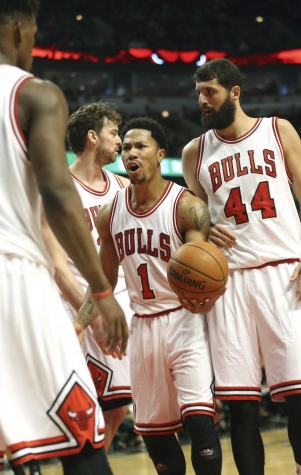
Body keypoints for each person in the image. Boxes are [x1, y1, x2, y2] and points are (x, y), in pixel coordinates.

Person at [0, 2, 128, 475]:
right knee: (82, 434)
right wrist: (102, 290)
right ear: (16, 29)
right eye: (32, 34)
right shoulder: (35, 93)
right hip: (6, 271)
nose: (32, 45)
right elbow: (55, 191)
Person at [182, 58, 301, 475]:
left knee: (300, 393)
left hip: (284, 274)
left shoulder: (278, 131)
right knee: (241, 405)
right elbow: (191, 222)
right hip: (229, 284)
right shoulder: (195, 152)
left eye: (210, 92)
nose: (203, 101)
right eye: (198, 94)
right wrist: (204, 235)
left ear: (235, 92)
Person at [79, 117, 223, 474]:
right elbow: (103, 280)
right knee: (155, 436)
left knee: (200, 424)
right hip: (141, 326)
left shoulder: (188, 207)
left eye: (140, 146)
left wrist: (206, 298)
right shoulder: (110, 213)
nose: (130, 153)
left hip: (184, 321)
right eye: (126, 147)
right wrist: (78, 324)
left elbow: (200, 269)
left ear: (160, 155)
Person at [42, 102, 132, 453]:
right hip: (73, 307)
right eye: (114, 133)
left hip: (117, 305)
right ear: (93, 137)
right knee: (81, 410)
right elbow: (57, 265)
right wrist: (90, 317)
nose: (120, 141)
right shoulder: (57, 188)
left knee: (115, 408)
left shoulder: (123, 187)